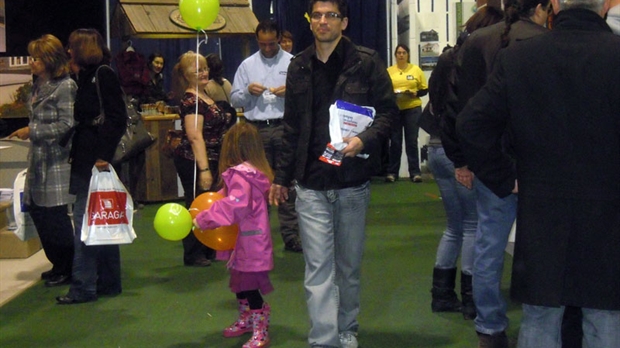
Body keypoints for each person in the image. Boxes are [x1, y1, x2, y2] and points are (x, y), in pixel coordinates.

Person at [456, 0, 620, 346]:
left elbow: (471, 123)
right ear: (606, 5)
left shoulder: (521, 57)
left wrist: (504, 176)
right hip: (609, 214)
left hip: (543, 212)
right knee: (604, 318)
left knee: (542, 317)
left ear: (556, 4)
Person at [269, 1, 398, 347]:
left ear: (344, 22)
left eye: (331, 15)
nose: (323, 22)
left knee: (349, 269)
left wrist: (363, 139)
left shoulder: (366, 62)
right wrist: (282, 178)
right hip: (310, 184)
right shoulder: (298, 66)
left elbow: (388, 114)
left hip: (352, 183)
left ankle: (347, 329)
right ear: (311, 22)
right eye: (318, 16)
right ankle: (324, 340)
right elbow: (292, 127)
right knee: (318, 270)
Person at [440, 0, 550, 345]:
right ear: (544, 7)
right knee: (540, 248)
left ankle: (489, 324)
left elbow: (456, 107)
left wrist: (463, 159)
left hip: (490, 162)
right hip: (536, 164)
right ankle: (537, 322)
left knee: (488, 244)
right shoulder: (543, 42)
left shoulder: (476, 41)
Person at [424, 6, 503, 320]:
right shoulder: (474, 59)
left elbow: (437, 100)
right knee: (472, 226)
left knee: (455, 227)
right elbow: (464, 113)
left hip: (437, 148)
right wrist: (464, 159)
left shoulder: (447, 57)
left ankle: (442, 294)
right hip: (458, 152)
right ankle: (472, 299)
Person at [56, 28, 127, 305]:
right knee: (101, 223)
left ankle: (83, 286)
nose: (68, 50)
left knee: (86, 224)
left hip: (94, 160)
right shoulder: (89, 75)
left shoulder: (101, 75)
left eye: (71, 46)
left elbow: (117, 118)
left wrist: (103, 155)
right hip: (90, 158)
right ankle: (108, 282)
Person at [193, 122, 274, 348]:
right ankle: (246, 320)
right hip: (244, 240)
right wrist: (208, 208)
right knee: (239, 283)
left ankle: (260, 329)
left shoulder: (241, 175)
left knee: (249, 285)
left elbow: (235, 205)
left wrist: (205, 219)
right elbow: (225, 196)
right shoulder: (249, 173)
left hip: (249, 241)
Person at [9, 34, 77, 288]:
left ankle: (67, 267)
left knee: (55, 216)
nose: (31, 62)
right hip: (38, 159)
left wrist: (32, 131)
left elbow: (67, 124)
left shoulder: (66, 86)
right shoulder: (38, 85)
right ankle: (56, 263)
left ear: (49, 59)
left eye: (36, 58)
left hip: (56, 160)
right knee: (39, 213)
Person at [231, 19, 302, 253]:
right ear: (257, 40)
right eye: (263, 44)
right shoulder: (247, 65)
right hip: (255, 130)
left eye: (272, 43)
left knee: (286, 183)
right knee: (256, 186)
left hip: (284, 128)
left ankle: (291, 236)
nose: (268, 48)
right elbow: (234, 100)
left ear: (279, 39)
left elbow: (306, 96)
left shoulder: (293, 63)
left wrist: (291, 93)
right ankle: (257, 237)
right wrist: (247, 93)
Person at [172, 51, 234, 267]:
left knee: (209, 204)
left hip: (212, 158)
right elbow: (195, 136)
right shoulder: (191, 100)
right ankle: (193, 252)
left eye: (205, 68)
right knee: (196, 204)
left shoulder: (205, 94)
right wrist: (205, 170)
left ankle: (207, 247)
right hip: (195, 160)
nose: (203, 72)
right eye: (197, 70)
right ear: (186, 75)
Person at [385, 44, 427, 183]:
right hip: (395, 109)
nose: (401, 55)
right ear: (395, 55)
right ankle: (392, 173)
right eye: (398, 53)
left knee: (412, 142)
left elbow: (424, 89)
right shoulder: (389, 71)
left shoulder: (416, 70)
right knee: (395, 142)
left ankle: (415, 173)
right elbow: (384, 90)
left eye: (403, 52)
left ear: (408, 54)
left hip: (412, 108)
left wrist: (416, 93)